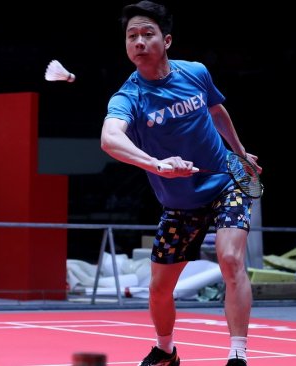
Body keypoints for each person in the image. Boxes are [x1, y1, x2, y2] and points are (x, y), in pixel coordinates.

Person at [100, 2, 262, 366]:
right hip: (179, 204)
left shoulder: (195, 73)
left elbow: (216, 110)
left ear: (166, 40)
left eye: (147, 34)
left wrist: (239, 152)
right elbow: (111, 139)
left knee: (230, 258)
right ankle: (165, 350)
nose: (139, 41)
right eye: (132, 36)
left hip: (225, 183)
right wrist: (156, 163)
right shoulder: (129, 97)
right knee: (158, 290)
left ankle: (238, 353)